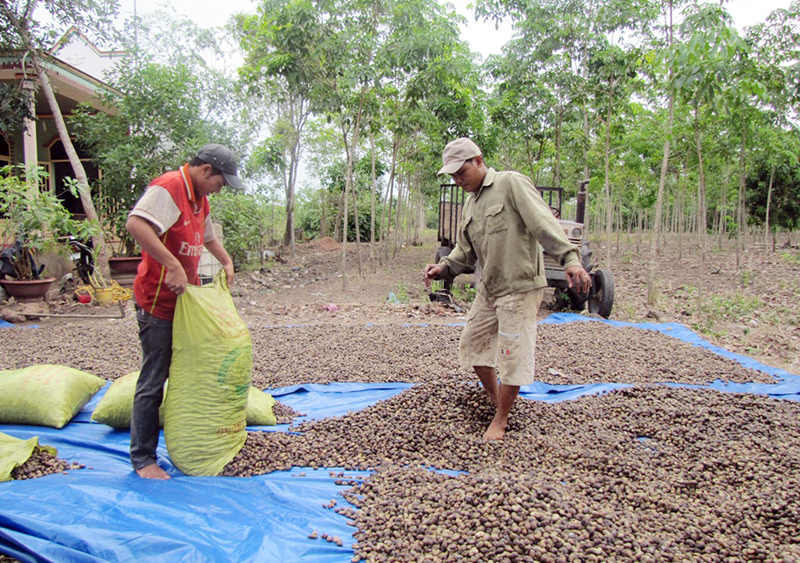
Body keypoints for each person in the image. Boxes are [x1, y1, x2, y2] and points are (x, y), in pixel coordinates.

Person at [423, 138, 592, 441]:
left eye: (461, 173)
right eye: (453, 177)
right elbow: (465, 250)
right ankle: (496, 399)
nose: (457, 181)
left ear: (478, 160)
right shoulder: (470, 203)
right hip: (489, 288)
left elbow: (542, 223)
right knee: (473, 345)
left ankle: (501, 420)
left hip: (519, 287)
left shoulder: (510, 184)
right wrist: (443, 268)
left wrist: (569, 259)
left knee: (512, 355)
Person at [126, 143, 242, 480]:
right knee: (154, 378)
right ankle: (143, 458)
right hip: (157, 302)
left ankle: (191, 441)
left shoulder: (200, 197)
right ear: (205, 171)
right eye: (220, 183)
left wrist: (225, 258)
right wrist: (173, 264)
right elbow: (136, 224)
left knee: (190, 373)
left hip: (184, 304)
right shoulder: (169, 187)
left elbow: (206, 236)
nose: (219, 190)